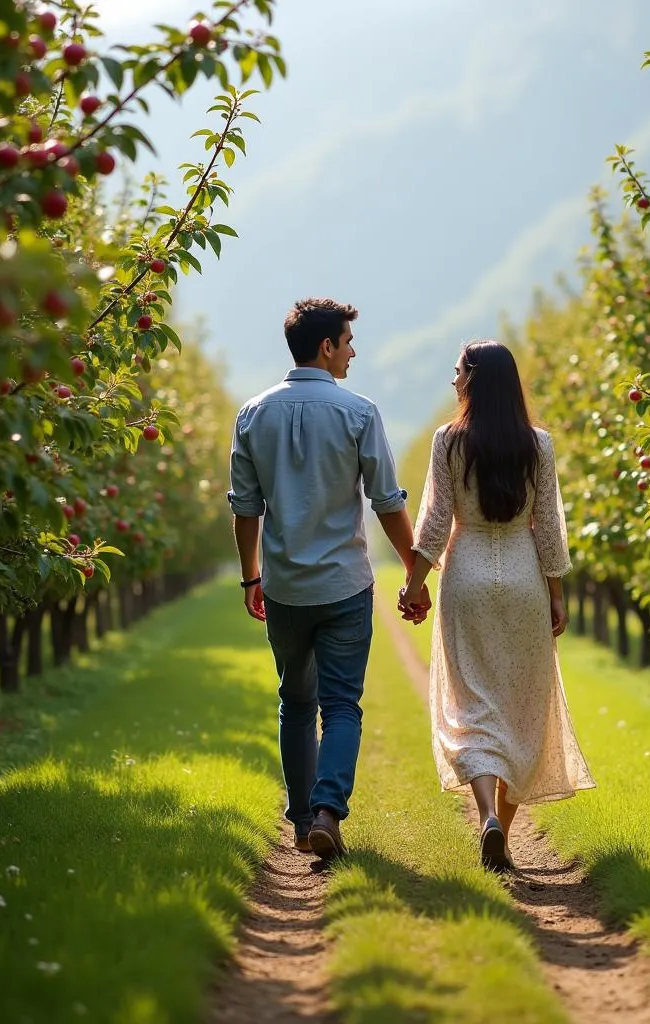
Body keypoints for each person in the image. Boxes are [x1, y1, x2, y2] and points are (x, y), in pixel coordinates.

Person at [228, 297, 428, 863]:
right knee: (341, 705)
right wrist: (414, 571)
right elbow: (387, 502)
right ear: (327, 347)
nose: (352, 351)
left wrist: (251, 578)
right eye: (347, 341)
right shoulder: (360, 413)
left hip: (285, 586)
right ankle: (326, 811)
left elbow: (246, 506)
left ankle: (300, 822)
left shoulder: (252, 414)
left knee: (295, 700)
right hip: (344, 584)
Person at [398, 340, 595, 871]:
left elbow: (436, 521)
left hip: (466, 579)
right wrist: (557, 594)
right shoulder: (539, 445)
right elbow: (549, 527)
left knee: (472, 707)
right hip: (524, 577)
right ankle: (501, 836)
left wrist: (414, 584)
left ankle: (485, 814)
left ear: (476, 380)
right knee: (521, 709)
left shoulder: (450, 441)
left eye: (458, 371)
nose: (453, 380)